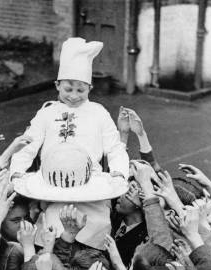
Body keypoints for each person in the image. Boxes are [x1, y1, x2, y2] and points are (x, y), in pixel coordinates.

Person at [10, 37, 129, 249]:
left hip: (91, 186)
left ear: (90, 88)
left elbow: (115, 147)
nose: (74, 96)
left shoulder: (98, 113)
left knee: (94, 236)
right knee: (54, 236)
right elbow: (27, 145)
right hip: (52, 188)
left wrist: (119, 173)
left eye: (80, 90)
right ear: (57, 85)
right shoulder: (47, 113)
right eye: (68, 89)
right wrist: (17, 171)